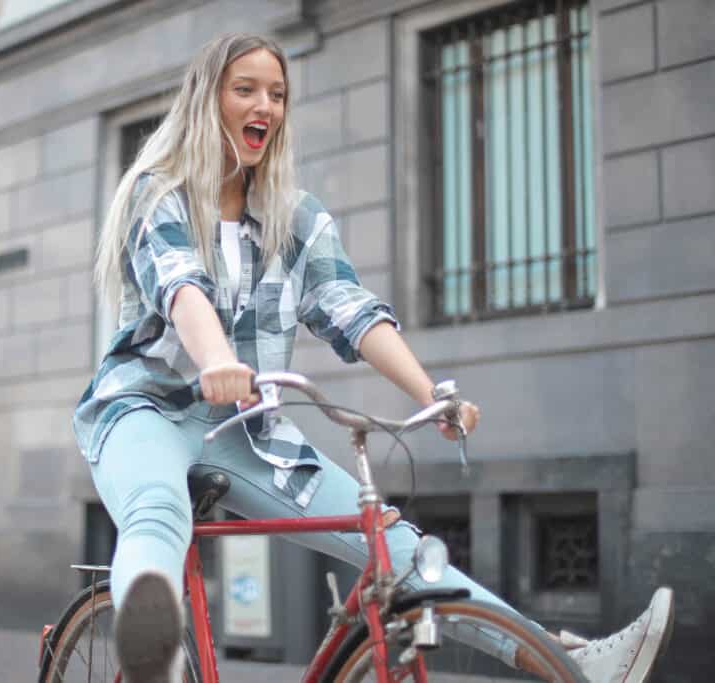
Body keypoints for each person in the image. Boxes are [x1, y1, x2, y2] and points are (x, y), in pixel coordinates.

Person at [73, 32, 673, 683]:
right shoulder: (159, 195)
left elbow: (351, 308)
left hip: (250, 433)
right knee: (157, 508)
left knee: (403, 550)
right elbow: (181, 286)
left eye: (277, 94)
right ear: (206, 101)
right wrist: (216, 358)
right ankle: (150, 656)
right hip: (144, 408)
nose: (265, 106)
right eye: (245, 89)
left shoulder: (295, 219)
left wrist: (429, 395)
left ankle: (573, 663)